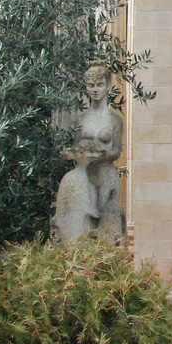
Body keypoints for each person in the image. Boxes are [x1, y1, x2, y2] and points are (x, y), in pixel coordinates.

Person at [54, 67, 125, 243]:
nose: (95, 89)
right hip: (85, 172)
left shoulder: (114, 119)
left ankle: (107, 254)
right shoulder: (81, 119)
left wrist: (101, 155)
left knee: (106, 214)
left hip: (105, 172)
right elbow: (75, 146)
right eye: (91, 85)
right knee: (83, 218)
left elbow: (116, 150)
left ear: (108, 85)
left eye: (99, 85)